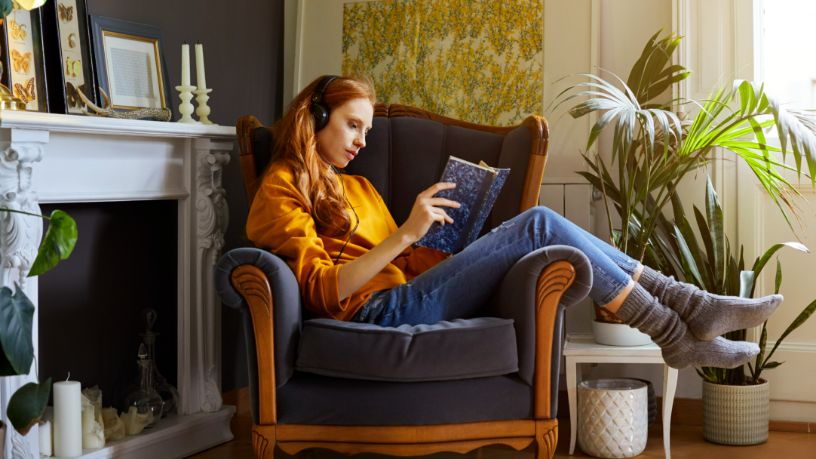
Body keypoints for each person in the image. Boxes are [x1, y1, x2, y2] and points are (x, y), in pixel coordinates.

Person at [246, 75, 782, 370]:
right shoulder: (280, 188)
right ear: (315, 118)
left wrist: (450, 239)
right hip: (374, 315)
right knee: (539, 223)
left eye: (365, 127)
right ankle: (678, 320)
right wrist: (408, 230)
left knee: (528, 229)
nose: (363, 141)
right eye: (352, 125)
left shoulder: (357, 185)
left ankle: (685, 311)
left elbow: (409, 262)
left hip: (407, 293)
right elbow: (319, 290)